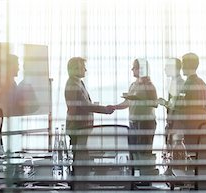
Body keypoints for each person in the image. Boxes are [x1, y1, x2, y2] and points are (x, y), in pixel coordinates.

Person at [64, 57, 114, 187]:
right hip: (78, 127)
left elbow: (85, 105)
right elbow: (85, 106)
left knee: (82, 157)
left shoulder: (78, 83)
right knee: (80, 158)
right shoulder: (73, 85)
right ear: (74, 69)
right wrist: (105, 110)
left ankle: (82, 183)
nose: (85, 69)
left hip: (83, 127)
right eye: (82, 67)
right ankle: (80, 184)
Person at [111, 58, 158, 177]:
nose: (132, 69)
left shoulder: (149, 85)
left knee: (144, 153)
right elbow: (127, 103)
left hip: (145, 123)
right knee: (133, 152)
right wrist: (114, 107)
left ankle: (145, 178)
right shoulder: (133, 85)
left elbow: (155, 103)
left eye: (134, 67)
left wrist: (138, 99)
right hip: (133, 122)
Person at [174, 52, 206, 146]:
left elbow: (180, 109)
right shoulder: (203, 84)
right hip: (202, 135)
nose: (181, 67)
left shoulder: (187, 85)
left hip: (190, 133)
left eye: (183, 64)